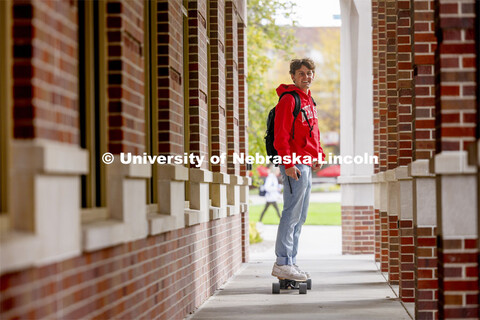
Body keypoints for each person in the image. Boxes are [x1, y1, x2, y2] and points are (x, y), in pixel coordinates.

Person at [271, 58, 325, 282]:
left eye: (309, 72)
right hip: (295, 164)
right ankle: (282, 262)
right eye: (301, 73)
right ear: (293, 76)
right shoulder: (289, 100)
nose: (306, 76)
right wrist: (288, 164)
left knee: (300, 216)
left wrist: (318, 154)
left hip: (306, 163)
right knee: (291, 213)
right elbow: (280, 136)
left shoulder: (309, 100)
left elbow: (313, 132)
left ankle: (290, 261)